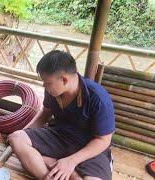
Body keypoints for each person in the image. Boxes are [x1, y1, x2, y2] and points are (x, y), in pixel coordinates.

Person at [8, 50, 115, 180]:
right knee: (16, 137)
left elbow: (103, 140)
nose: (44, 86)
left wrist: (71, 161)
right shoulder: (53, 90)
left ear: (64, 79)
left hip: (89, 146)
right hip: (59, 136)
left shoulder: (98, 98)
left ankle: (50, 162)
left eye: (47, 83)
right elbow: (45, 113)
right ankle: (49, 176)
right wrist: (24, 132)